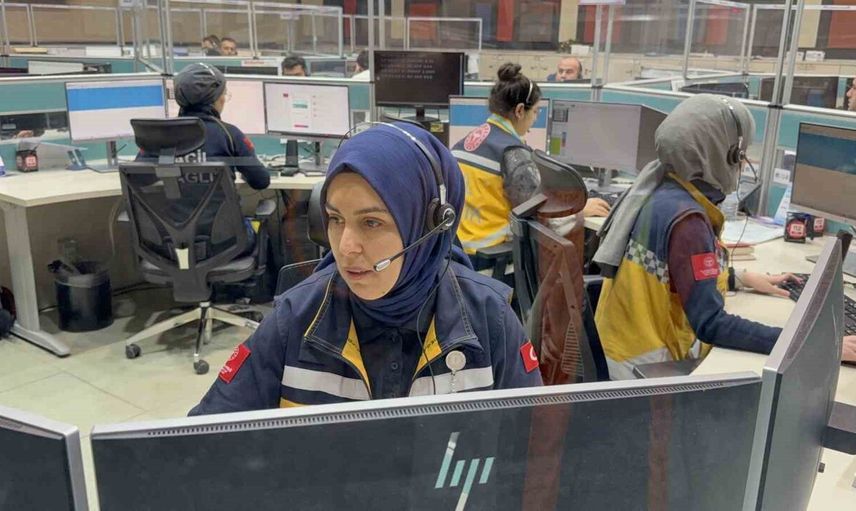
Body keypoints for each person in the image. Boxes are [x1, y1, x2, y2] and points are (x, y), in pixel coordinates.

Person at [189, 122, 543, 415]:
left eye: (371, 222)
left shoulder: (489, 319)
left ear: (431, 225)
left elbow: (534, 450)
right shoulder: (296, 318)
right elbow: (205, 438)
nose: (345, 248)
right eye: (335, 219)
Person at [592, 94, 856, 379]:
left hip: (617, 353)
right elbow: (712, 324)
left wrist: (739, 277)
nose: (742, 163)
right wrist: (810, 343)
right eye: (741, 155)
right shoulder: (687, 221)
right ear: (725, 155)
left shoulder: (658, 190)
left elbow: (676, 276)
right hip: (644, 373)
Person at [453, 63, 610, 256]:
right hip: (495, 259)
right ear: (520, 111)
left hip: (460, 254)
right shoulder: (512, 153)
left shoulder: (464, 143)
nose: (535, 119)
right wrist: (580, 213)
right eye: (535, 111)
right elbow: (541, 219)